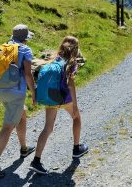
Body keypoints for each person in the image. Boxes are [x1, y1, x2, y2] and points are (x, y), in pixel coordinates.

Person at [29, 36, 88, 174]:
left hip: (51, 96)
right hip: (64, 97)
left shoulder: (53, 59)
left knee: (47, 128)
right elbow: (71, 85)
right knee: (76, 117)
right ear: (76, 48)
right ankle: (76, 149)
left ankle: (36, 161)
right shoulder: (71, 63)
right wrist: (75, 104)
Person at [0, 24, 37, 178]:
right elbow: (28, 74)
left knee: (22, 113)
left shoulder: (3, 47)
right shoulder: (25, 50)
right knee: (8, 126)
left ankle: (24, 148)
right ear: (26, 38)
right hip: (16, 92)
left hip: (1, 90)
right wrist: (34, 92)